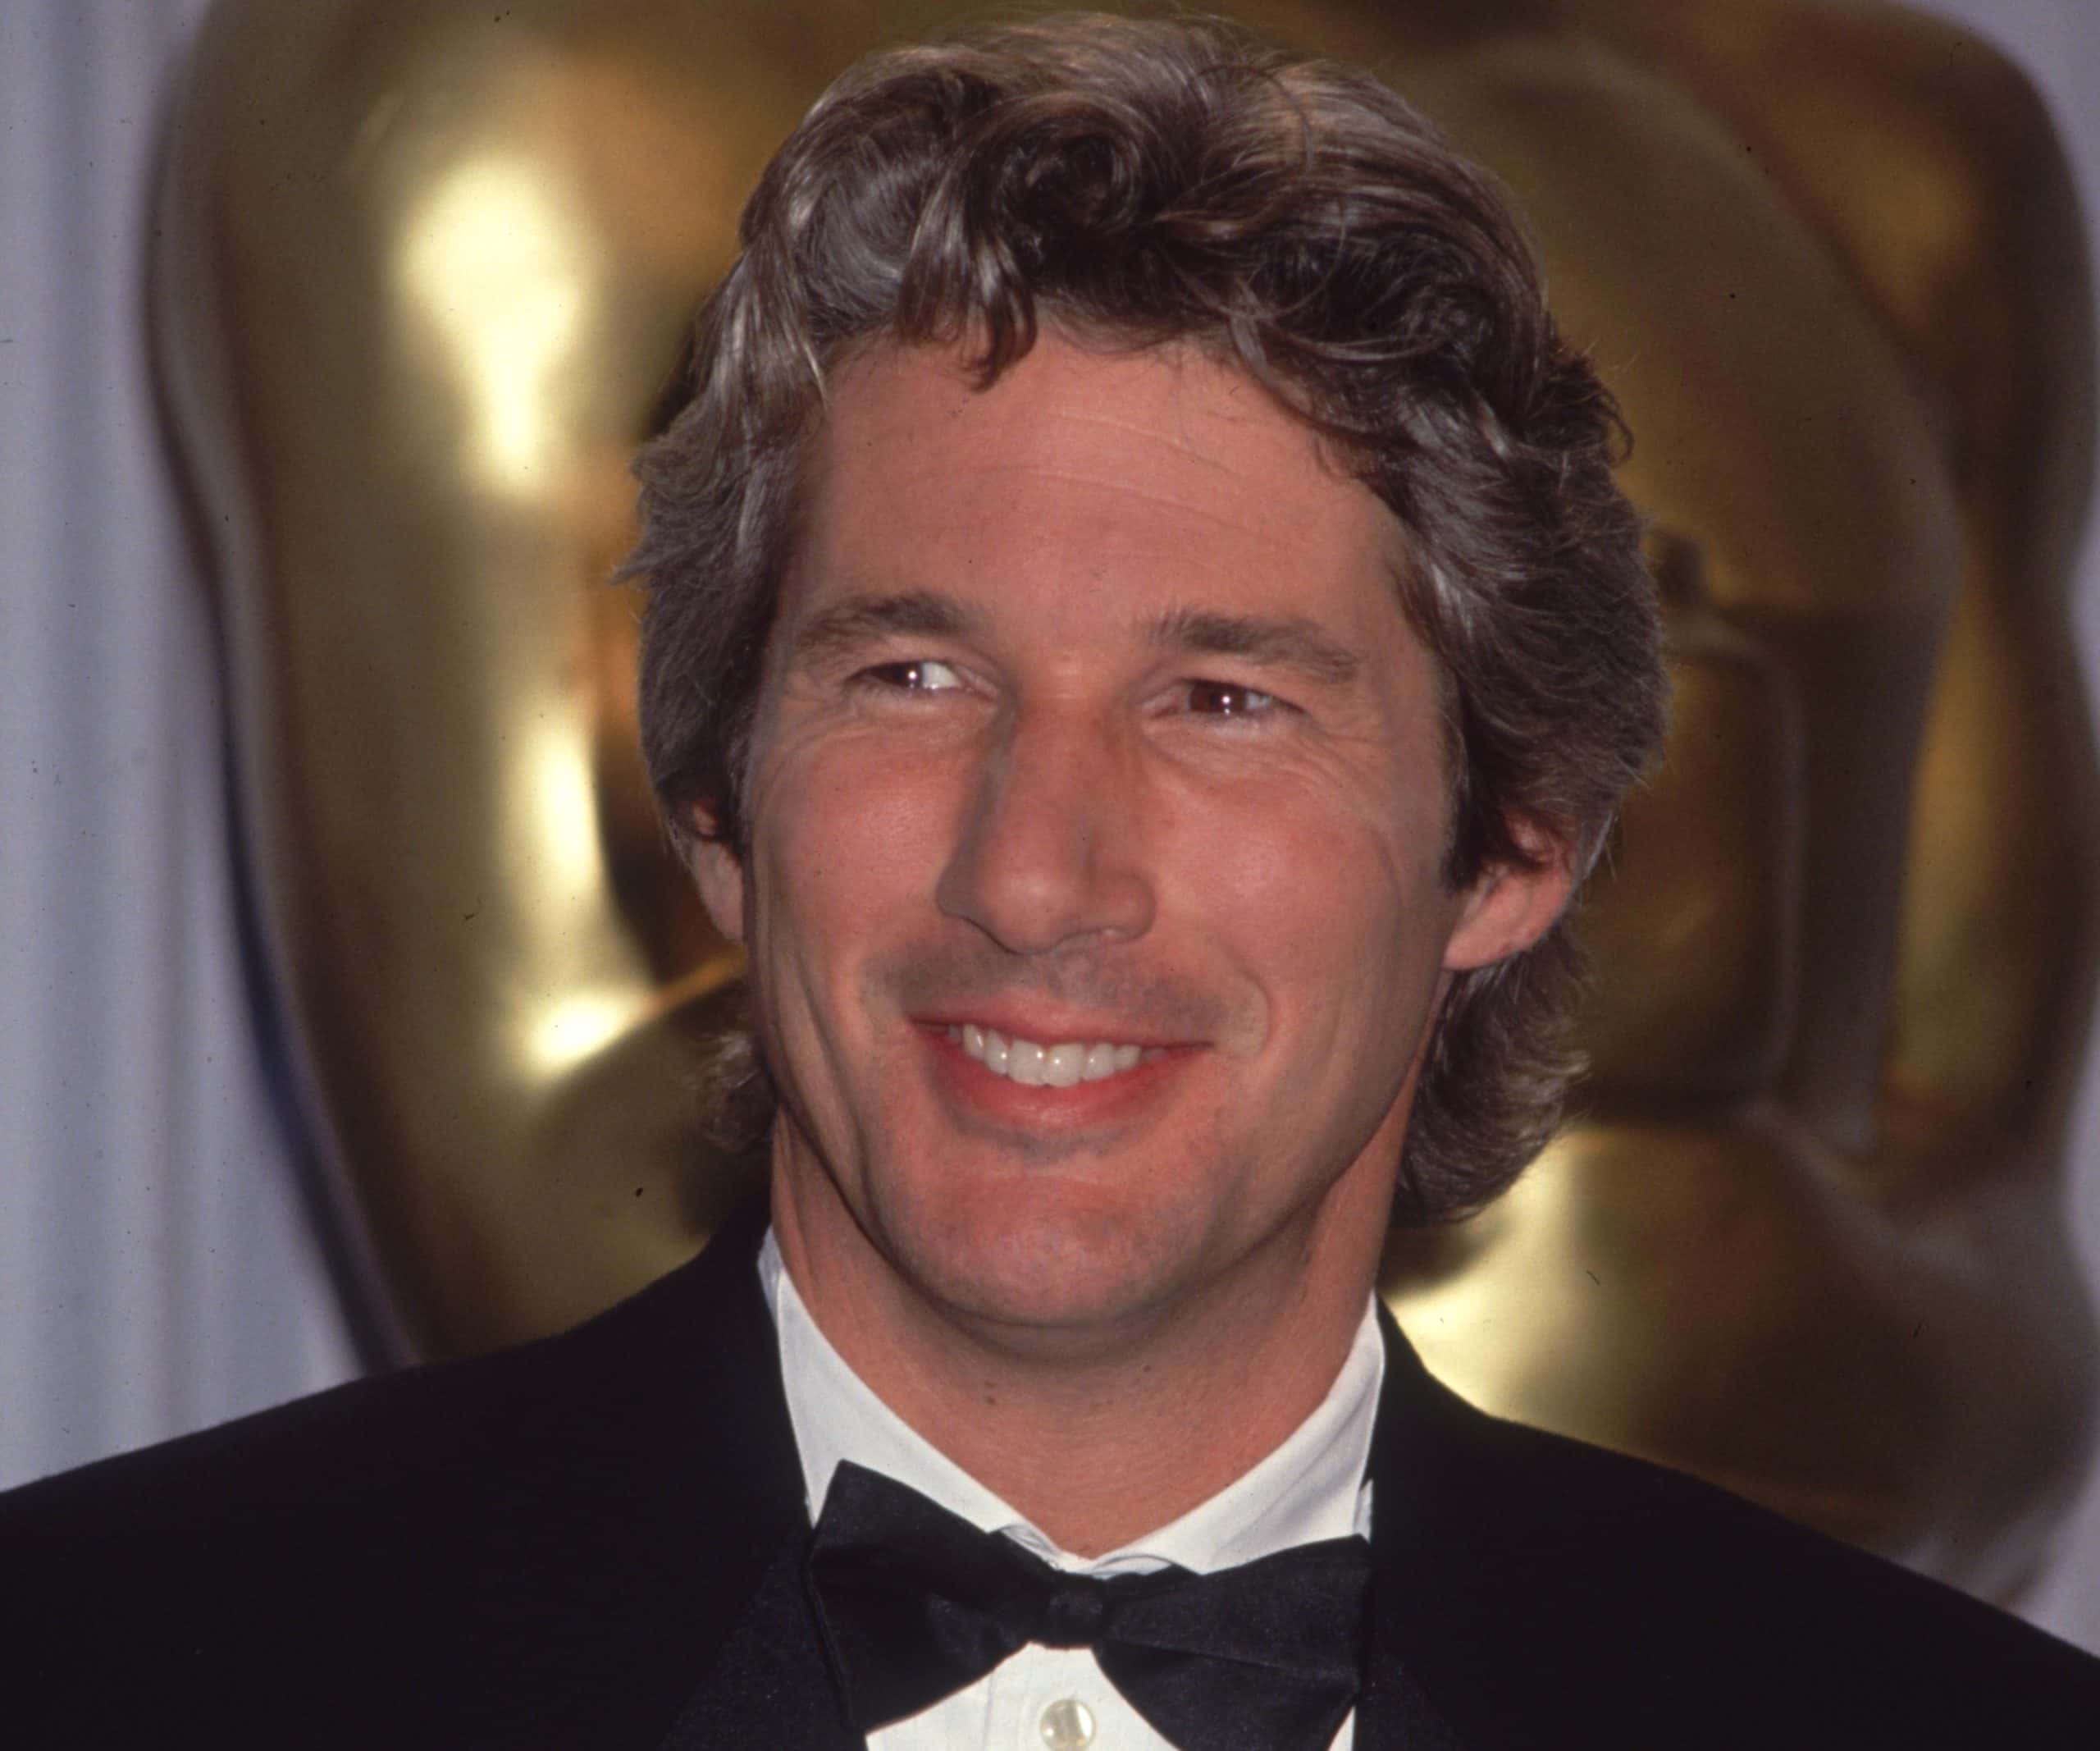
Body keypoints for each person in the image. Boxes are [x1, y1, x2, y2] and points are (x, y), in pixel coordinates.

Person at [5, 14, 2096, 1747]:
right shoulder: (98, 1665)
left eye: (1219, 697)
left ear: (1510, 844)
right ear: (717, 803)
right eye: (910, 674)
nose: (1032, 875)